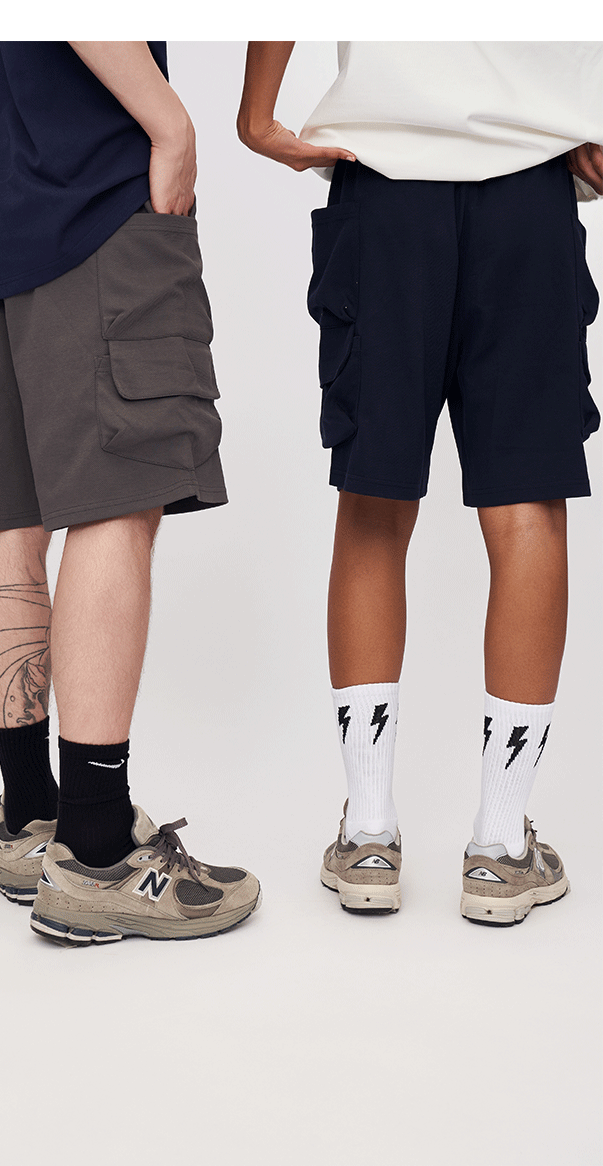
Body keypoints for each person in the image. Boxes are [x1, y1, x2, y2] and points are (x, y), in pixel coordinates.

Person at [238, 41, 603, 925]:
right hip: (528, 183)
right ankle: (500, 847)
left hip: (386, 183)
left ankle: (369, 836)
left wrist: (257, 113)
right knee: (525, 508)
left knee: (374, 500)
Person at [0, 40, 260, 944]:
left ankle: (28, 815)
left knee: (10, 508)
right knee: (117, 497)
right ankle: (97, 851)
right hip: (85, 187)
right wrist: (170, 122)